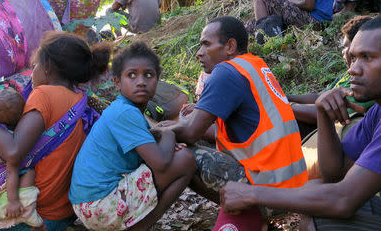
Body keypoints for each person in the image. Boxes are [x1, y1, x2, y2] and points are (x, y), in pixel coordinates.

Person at [220, 16, 381, 230]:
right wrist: (323, 115)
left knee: (323, 219)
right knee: (314, 187)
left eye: (367, 58)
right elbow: (334, 173)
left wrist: (252, 193)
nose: (353, 69)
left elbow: (344, 201)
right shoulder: (377, 111)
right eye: (354, 58)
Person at [0, 31, 102, 231]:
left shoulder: (44, 95)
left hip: (34, 217)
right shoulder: (80, 101)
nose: (33, 71)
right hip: (63, 213)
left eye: (36, 66)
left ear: (48, 67)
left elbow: (13, 152)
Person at [158, 16, 307, 228]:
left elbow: (191, 132)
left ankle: (141, 223)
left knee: (182, 153)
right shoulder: (255, 65)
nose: (199, 52)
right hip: (292, 187)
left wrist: (161, 131)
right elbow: (222, 131)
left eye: (206, 44)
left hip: (267, 190)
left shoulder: (226, 71)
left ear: (230, 46)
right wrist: (173, 128)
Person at [69, 42, 195, 230]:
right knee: (185, 160)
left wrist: (162, 141)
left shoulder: (126, 110)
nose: (141, 81)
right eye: (132, 75)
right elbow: (160, 163)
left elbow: (151, 150)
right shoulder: (124, 112)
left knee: (176, 156)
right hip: (99, 204)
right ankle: (140, 227)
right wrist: (169, 134)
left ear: (157, 81)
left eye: (149, 75)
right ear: (117, 82)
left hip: (90, 203)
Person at [288, 15, 375, 138]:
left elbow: (325, 112)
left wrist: (285, 106)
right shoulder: (348, 74)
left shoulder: (366, 83)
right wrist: (286, 98)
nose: (343, 51)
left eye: (345, 46)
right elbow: (321, 97)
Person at [0, 88, 44, 228]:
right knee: (29, 172)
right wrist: (13, 201)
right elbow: (11, 170)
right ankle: (26, 210)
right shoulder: (9, 139)